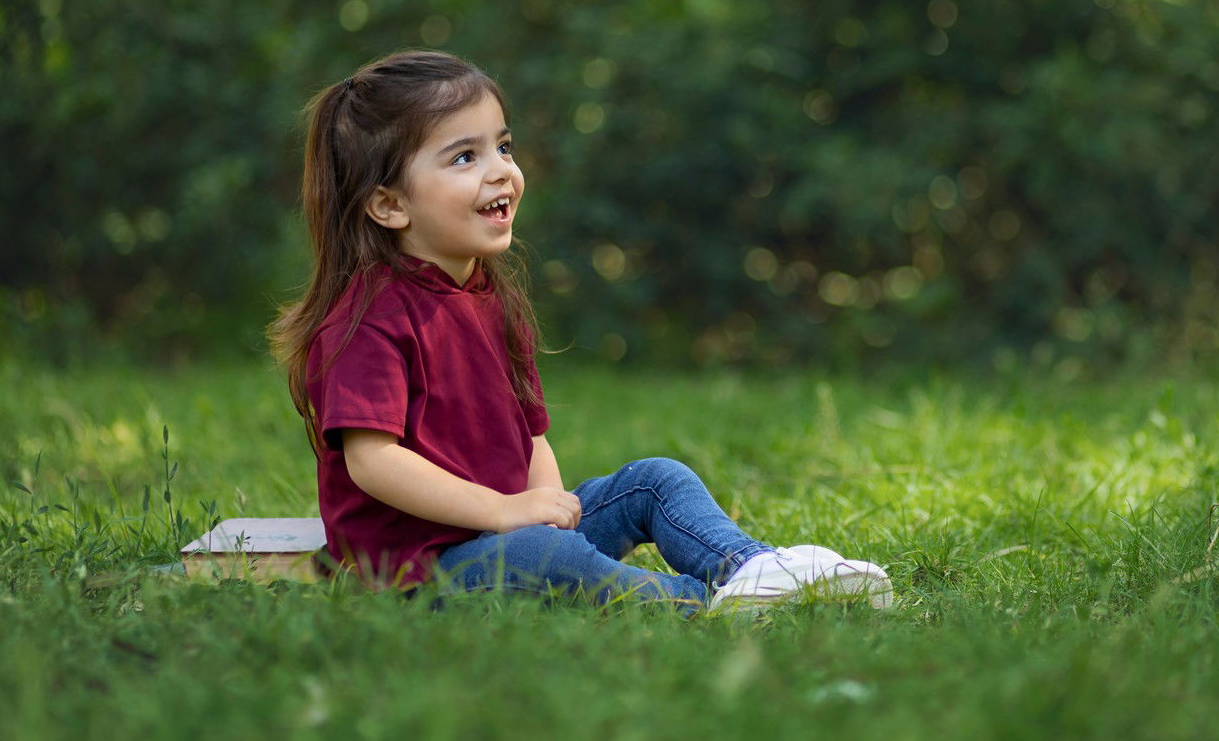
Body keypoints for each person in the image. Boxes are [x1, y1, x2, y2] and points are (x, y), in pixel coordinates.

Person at [267, 49, 893, 615]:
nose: (500, 171)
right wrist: (509, 515)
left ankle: (752, 566)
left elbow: (530, 435)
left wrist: (546, 507)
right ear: (390, 206)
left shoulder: (492, 299)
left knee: (657, 479)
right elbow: (373, 462)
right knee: (547, 563)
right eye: (465, 157)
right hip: (424, 571)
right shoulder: (367, 317)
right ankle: (704, 604)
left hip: (510, 531)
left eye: (503, 147)